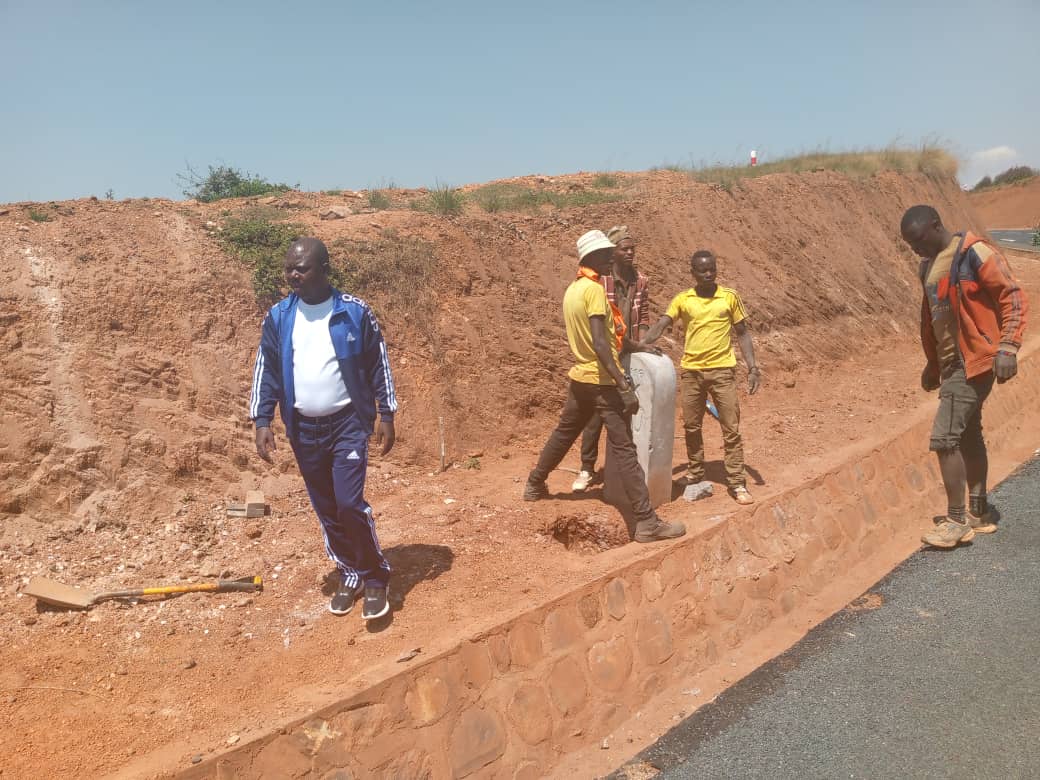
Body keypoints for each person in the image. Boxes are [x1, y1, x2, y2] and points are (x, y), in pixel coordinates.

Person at [249, 237, 398, 618]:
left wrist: (387, 413)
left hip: (346, 424)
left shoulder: (354, 312)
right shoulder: (280, 316)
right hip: (303, 429)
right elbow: (266, 370)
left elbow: (378, 363)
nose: (292, 275)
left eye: (301, 268)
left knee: (349, 503)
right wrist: (262, 418)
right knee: (327, 508)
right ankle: (351, 571)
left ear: (324, 269)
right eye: (288, 268)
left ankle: (376, 576)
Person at [522, 230, 686, 543]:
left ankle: (534, 484)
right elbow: (601, 342)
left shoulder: (573, 289)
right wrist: (622, 383)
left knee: (564, 432)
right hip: (601, 380)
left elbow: (608, 339)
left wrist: (636, 347)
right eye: (606, 253)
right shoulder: (596, 291)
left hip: (580, 378)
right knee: (625, 449)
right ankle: (647, 521)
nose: (611, 257)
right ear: (592, 257)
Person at [900, 205, 1028, 548]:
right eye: (910, 245)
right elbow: (933, 319)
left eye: (919, 241)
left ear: (936, 226)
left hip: (974, 360)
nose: (916, 249)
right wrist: (932, 363)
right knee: (969, 435)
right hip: (951, 364)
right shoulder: (927, 266)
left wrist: (1008, 347)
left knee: (944, 438)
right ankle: (979, 512)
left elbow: (1012, 295)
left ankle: (956, 521)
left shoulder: (974, 252)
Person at [639, 250, 760, 505]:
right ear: (692, 272)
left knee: (731, 427)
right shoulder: (683, 300)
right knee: (691, 426)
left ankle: (737, 481)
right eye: (702, 270)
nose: (708, 273)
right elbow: (662, 323)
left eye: (712, 269)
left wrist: (752, 367)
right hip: (691, 371)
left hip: (723, 371)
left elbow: (743, 333)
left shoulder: (729, 297)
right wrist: (639, 345)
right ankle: (695, 471)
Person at [573, 225, 652, 492]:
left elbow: (641, 318)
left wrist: (641, 347)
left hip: (628, 350)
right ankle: (587, 468)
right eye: (623, 249)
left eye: (632, 249)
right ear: (613, 252)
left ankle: (626, 469)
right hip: (606, 352)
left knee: (627, 412)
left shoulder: (640, 280)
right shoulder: (600, 281)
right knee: (596, 415)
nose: (630, 253)